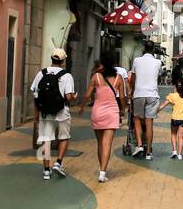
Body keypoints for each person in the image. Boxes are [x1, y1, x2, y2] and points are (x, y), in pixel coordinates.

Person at [31, 49, 77, 181]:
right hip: (62, 112)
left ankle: (46, 170)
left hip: (45, 112)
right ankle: (58, 163)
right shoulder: (67, 76)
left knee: (46, 140)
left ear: (51, 59)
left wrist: (36, 112)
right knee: (64, 137)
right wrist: (74, 96)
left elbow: (35, 94)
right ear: (63, 61)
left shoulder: (41, 73)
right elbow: (68, 96)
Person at [82, 50, 126, 183]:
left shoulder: (96, 77)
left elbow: (87, 95)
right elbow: (122, 97)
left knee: (100, 143)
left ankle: (101, 168)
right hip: (112, 112)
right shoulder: (118, 78)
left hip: (98, 112)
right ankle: (102, 172)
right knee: (107, 143)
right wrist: (123, 109)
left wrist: (82, 107)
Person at [129, 42, 162, 160]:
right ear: (153, 49)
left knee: (137, 118)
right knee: (149, 124)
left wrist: (132, 91)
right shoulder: (158, 62)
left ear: (144, 49)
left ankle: (139, 145)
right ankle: (149, 152)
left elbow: (132, 78)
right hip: (153, 94)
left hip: (139, 93)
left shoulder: (137, 61)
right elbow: (157, 78)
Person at [158, 81, 183, 160]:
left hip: (175, 119)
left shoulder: (172, 96)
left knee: (173, 134)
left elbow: (163, 105)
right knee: (181, 137)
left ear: (176, 88)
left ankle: (174, 151)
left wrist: (156, 110)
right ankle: (180, 155)